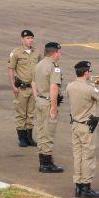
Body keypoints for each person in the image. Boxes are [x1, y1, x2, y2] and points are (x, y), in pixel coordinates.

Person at [67, 60, 99, 198]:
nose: (91, 74)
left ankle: (78, 186)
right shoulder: (90, 89)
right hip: (87, 127)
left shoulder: (70, 86)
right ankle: (86, 186)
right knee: (88, 157)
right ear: (86, 73)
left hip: (75, 125)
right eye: (90, 72)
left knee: (77, 156)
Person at [33, 42, 64, 173]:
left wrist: (36, 98)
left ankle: (43, 160)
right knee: (48, 133)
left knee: (41, 132)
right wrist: (53, 106)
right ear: (55, 52)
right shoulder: (54, 67)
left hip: (39, 101)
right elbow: (54, 87)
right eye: (59, 52)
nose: (60, 55)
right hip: (47, 102)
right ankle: (46, 164)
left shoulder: (39, 64)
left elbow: (33, 83)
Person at [8, 29, 42, 147]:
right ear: (22, 39)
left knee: (31, 113)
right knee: (21, 113)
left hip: (33, 87)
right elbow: (11, 69)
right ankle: (21, 138)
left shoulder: (37, 53)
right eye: (27, 38)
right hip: (21, 87)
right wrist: (13, 86)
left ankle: (29, 138)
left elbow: (40, 69)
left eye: (31, 38)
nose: (30, 40)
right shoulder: (16, 53)